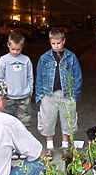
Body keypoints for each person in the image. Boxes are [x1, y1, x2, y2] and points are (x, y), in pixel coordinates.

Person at [35, 28, 82, 159]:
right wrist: (39, 95)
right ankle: (49, 145)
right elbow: (39, 77)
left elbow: (77, 76)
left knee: (67, 119)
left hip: (67, 94)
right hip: (48, 94)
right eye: (53, 43)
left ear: (64, 41)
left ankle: (65, 145)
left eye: (59, 43)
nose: (56, 46)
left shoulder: (71, 57)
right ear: (50, 42)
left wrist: (75, 94)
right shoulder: (44, 58)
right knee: (48, 119)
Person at [0, 31, 33, 128]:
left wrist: (30, 90)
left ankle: (24, 142)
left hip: (24, 98)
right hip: (8, 98)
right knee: (8, 124)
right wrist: (1, 95)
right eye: (13, 49)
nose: (15, 52)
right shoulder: (3, 60)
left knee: (25, 124)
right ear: (8, 45)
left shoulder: (26, 60)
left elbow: (30, 76)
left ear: (22, 47)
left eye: (18, 49)